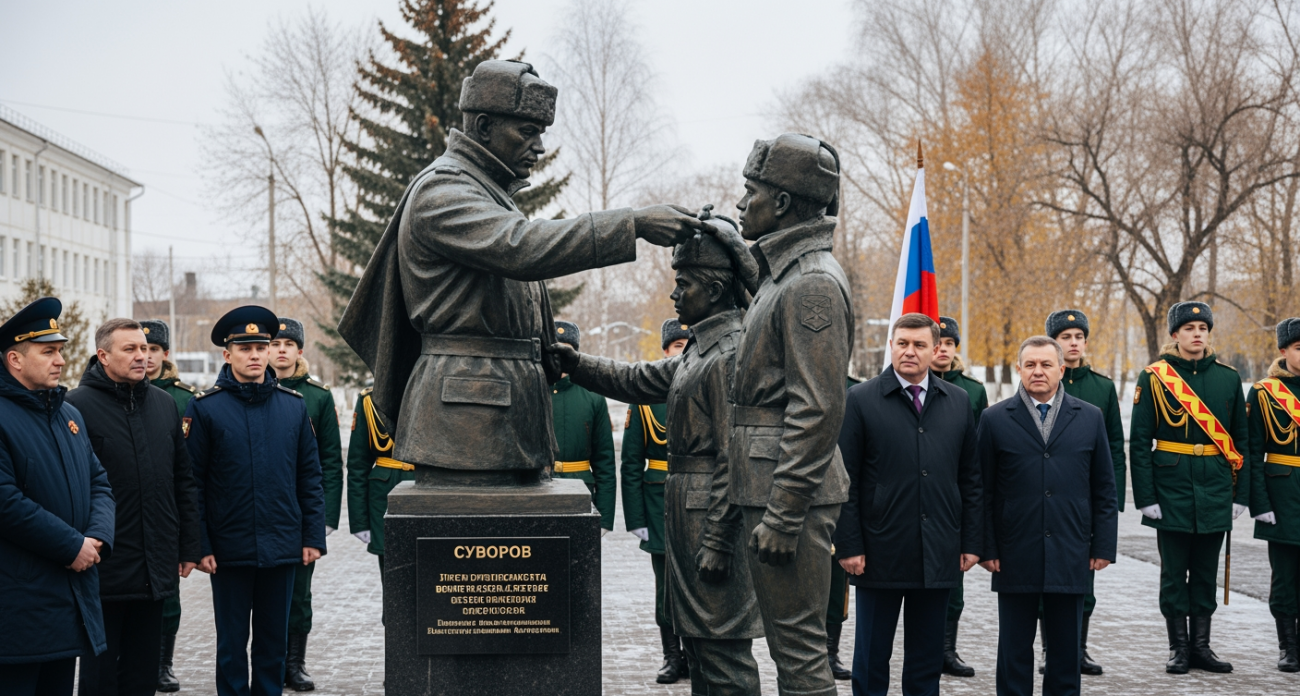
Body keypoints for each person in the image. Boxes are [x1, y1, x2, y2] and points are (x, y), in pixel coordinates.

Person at [337, 59, 702, 483]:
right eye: (528, 131)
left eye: (541, 133)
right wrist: (632, 224)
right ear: (484, 126)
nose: (539, 147)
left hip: (501, 411)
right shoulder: (443, 189)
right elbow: (522, 247)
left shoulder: (486, 191)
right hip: (466, 418)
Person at [554, 214, 765, 695]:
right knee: (702, 650)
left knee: (724, 655)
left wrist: (718, 539)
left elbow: (735, 456)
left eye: (683, 284)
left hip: (711, 522)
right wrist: (576, 363)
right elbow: (636, 380)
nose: (674, 295)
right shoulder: (701, 349)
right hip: (689, 518)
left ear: (715, 290)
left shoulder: (731, 354)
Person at [728, 132, 854, 696]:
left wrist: (783, 514)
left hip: (789, 494)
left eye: (750, 191)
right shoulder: (786, 274)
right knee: (790, 647)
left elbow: (818, 407)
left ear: (781, 202)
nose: (741, 202)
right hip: (772, 483)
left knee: (800, 652)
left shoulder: (812, 284)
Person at [836, 313, 981, 696]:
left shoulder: (957, 401)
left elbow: (970, 478)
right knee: (871, 656)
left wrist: (971, 541)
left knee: (926, 659)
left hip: (938, 551)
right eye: (902, 343)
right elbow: (844, 480)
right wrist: (849, 545)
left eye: (919, 345)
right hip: (878, 551)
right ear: (891, 346)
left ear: (936, 350)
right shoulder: (861, 399)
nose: (909, 351)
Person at [185, 306, 327, 696]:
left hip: (282, 546)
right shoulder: (205, 408)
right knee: (231, 646)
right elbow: (193, 484)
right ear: (227, 354)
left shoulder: (293, 405)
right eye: (244, 348)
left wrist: (312, 536)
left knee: (273, 645)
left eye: (260, 347)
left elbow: (309, 477)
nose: (255, 355)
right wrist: (200, 545)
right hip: (228, 549)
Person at [978, 335, 1118, 696]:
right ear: (1019, 369)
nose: (1037, 371)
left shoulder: (1090, 417)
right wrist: (987, 547)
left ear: (1061, 369)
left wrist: (1103, 545)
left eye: (1045, 364)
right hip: (1013, 551)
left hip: (1071, 549)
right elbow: (983, 491)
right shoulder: (994, 419)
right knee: (1014, 648)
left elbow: (1104, 487)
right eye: (1030, 365)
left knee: (1066, 651)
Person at [67, 319, 201, 696]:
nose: (142, 356)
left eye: (144, 348)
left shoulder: (163, 404)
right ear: (103, 355)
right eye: (130, 349)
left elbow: (182, 480)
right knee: (100, 678)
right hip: (103, 565)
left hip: (154, 566)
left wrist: (189, 546)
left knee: (142, 676)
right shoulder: (75, 407)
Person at [0, 297, 115, 696]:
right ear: (15, 359)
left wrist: (97, 537)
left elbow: (99, 482)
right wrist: (71, 546)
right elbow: (5, 502)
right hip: (18, 606)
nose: (61, 361)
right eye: (48, 352)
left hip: (67, 601)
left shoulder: (68, 415)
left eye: (60, 351)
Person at [1130, 301, 1250, 674]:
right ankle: (1178, 649)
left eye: (1203, 328)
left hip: (1215, 487)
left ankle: (1201, 647)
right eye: (1189, 328)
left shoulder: (1228, 378)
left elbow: (1242, 441)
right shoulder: (1155, 377)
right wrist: (1146, 497)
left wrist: (1241, 494)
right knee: (1173, 574)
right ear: (1175, 334)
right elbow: (1139, 442)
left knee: (1204, 573)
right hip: (1171, 488)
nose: (1197, 334)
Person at [1044, 309, 1127, 676]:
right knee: (1045, 578)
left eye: (1079, 337)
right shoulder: (1042, 381)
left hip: (1085, 501)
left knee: (1084, 581)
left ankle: (1077, 649)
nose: (1074, 343)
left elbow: (1114, 449)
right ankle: (1050, 650)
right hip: (1048, 497)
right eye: (1066, 337)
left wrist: (1112, 503)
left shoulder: (1102, 388)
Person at [269, 317, 343, 691]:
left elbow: (331, 461)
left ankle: (294, 664)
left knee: (299, 594)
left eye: (288, 345)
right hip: (265, 509)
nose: (281, 350)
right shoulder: (255, 390)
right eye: (275, 344)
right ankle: (269, 661)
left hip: (301, 513)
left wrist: (325, 519)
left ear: (300, 351)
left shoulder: (318, 397)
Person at [621, 318, 691, 683]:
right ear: (665, 351)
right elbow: (631, 463)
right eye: (678, 346)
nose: (684, 352)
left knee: (698, 582)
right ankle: (672, 656)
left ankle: (696, 655)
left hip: (697, 501)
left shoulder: (709, 385)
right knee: (665, 586)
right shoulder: (646, 400)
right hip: (658, 503)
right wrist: (636, 518)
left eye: (689, 345)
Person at [139, 318, 196, 691]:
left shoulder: (182, 399)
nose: (146, 357)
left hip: (168, 510)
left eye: (153, 350)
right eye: (139, 349)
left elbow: (189, 466)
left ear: (166, 354)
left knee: (169, 595)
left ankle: (163, 663)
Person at [931, 315, 987, 678]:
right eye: (938, 343)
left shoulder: (972, 391)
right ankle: (924, 647)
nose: (943, 350)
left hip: (954, 495)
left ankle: (947, 650)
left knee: (954, 582)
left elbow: (978, 452)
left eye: (949, 344)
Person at [1246, 317, 1300, 672]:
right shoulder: (1265, 393)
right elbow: (1252, 452)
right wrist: (1260, 503)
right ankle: (1288, 648)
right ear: (1283, 351)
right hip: (1283, 497)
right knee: (1285, 578)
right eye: (1299, 348)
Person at [550, 320, 617, 532]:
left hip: (581, 492)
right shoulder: (531, 393)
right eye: (554, 351)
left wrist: (604, 519)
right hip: (540, 493)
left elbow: (604, 461)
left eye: (566, 351)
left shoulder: (593, 396)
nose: (559, 358)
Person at [345, 384, 413, 579]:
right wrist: (359, 522)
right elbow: (358, 465)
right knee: (393, 577)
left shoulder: (435, 389)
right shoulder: (370, 399)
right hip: (385, 491)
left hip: (430, 487)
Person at [825, 373, 862, 683]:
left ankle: (830, 652)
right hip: (797, 492)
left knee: (837, 584)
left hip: (840, 492)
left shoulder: (855, 391)